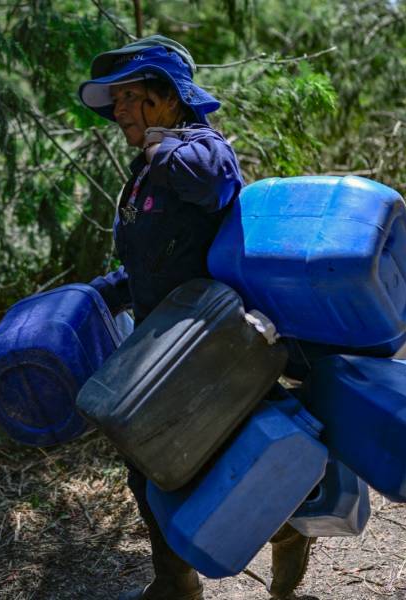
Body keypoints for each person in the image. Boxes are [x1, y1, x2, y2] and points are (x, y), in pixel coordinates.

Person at [78, 36, 315, 600]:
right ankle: (175, 580)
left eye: (130, 97)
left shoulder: (200, 148)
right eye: (116, 101)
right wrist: (103, 293)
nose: (119, 111)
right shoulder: (146, 168)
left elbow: (214, 184)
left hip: (212, 341)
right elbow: (151, 256)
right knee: (147, 458)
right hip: (162, 342)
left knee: (233, 449)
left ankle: (287, 529)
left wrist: (163, 146)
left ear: (168, 98)